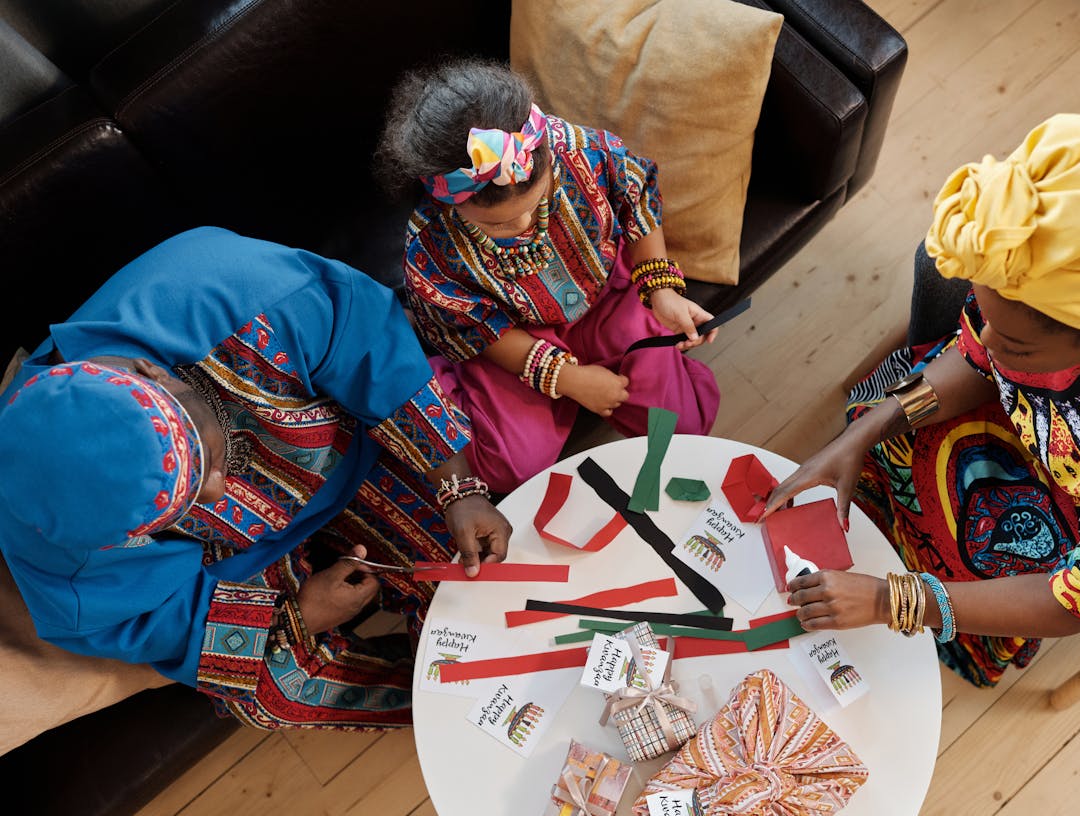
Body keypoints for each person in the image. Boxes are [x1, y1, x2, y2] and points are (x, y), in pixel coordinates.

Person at [764, 114, 1080, 687]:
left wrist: (898, 601)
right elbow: (978, 360)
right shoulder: (1069, 273)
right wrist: (861, 435)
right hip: (1056, 424)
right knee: (885, 422)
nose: (984, 346)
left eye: (1013, 344)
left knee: (984, 553)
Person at [0, 226, 513, 730]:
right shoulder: (59, 549)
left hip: (352, 460)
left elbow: (370, 348)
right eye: (187, 504)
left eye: (210, 463)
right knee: (275, 690)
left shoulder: (228, 289)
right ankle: (452, 705)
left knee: (472, 569)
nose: (221, 490)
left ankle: (485, 664)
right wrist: (302, 617)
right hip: (234, 564)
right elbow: (149, 620)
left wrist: (459, 489)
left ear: (157, 375)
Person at [376, 58, 720, 493]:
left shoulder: (578, 149)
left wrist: (662, 288)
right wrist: (568, 378)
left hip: (605, 299)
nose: (522, 228)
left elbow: (634, 193)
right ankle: (434, 377)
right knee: (512, 465)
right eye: (498, 225)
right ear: (450, 203)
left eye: (537, 202)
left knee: (678, 422)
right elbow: (478, 328)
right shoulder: (431, 247)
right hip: (514, 334)